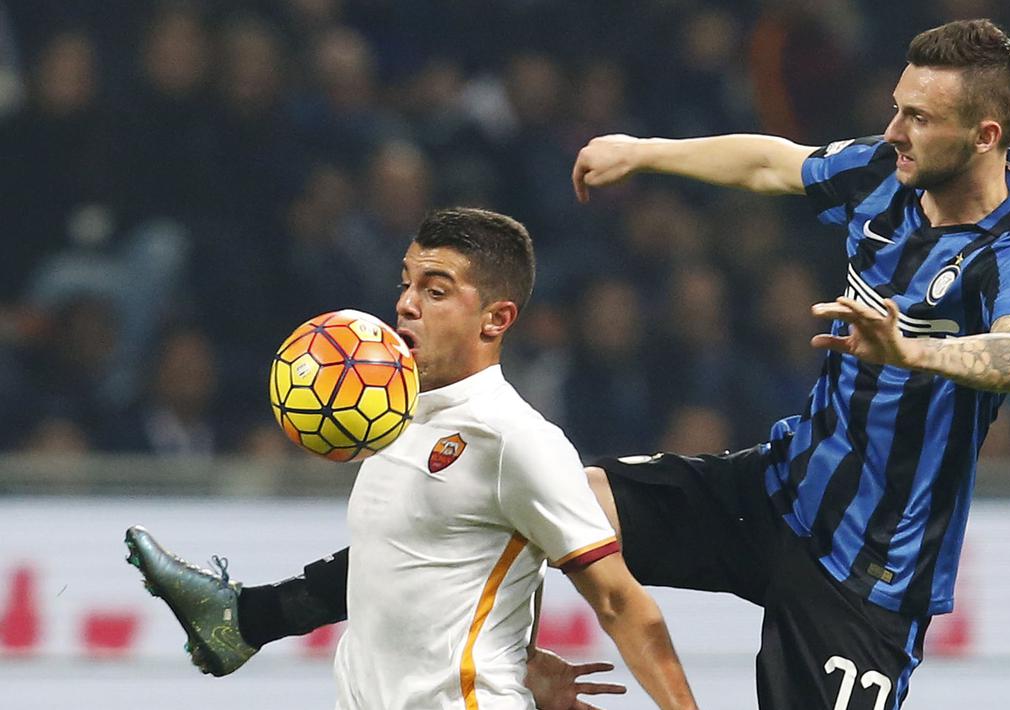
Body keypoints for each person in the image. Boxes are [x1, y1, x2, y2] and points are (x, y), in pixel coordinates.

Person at [567, 19, 1010, 709]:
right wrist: (645, 152)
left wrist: (910, 349)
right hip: (781, 490)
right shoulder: (884, 174)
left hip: (871, 573)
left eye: (917, 117)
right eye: (896, 107)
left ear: (983, 135)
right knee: (564, 503)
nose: (893, 130)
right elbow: (774, 163)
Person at [125, 207, 698, 710]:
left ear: (496, 319)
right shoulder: (391, 419)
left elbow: (621, 601)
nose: (405, 305)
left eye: (436, 290)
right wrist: (522, 657)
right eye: (406, 283)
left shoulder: (515, 438)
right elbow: (437, 557)